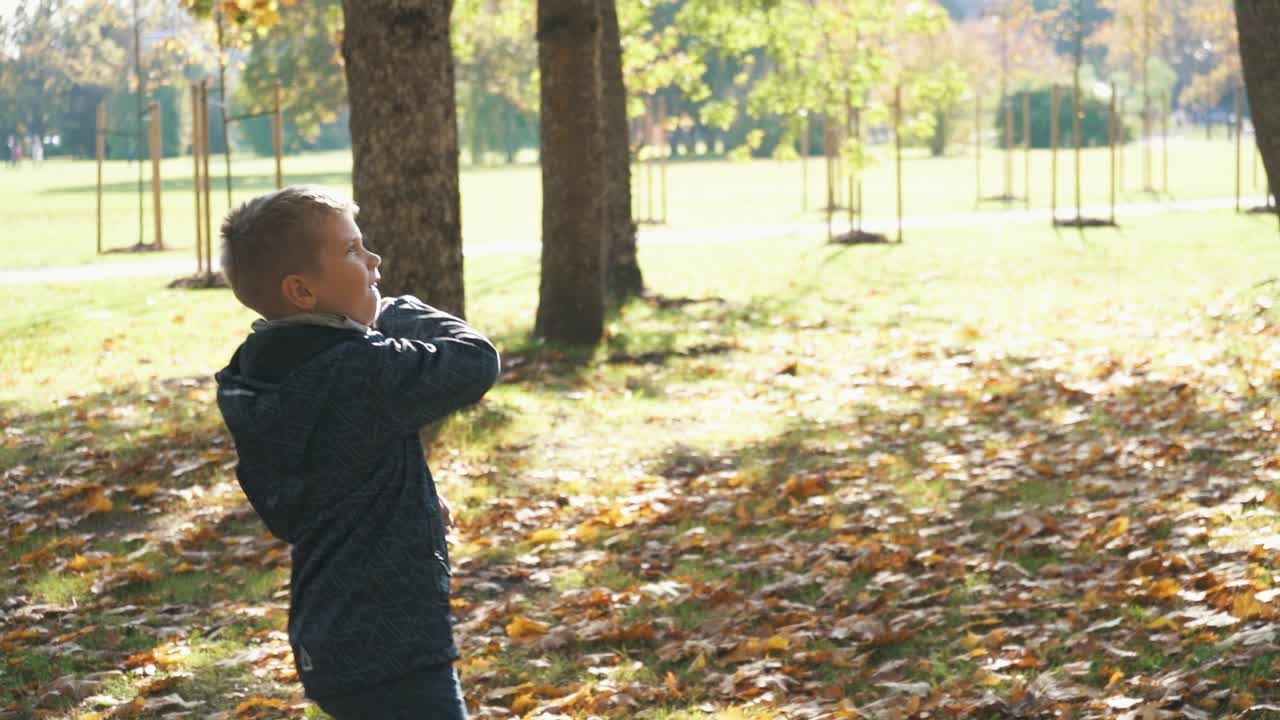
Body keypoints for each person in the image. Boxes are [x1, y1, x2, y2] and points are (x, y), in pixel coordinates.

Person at [214, 185, 500, 719]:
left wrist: (410, 500)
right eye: (352, 250)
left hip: (327, 634)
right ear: (302, 291)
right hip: (393, 644)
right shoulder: (358, 367)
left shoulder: (256, 376)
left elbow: (333, 468)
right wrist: (394, 310)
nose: (374, 261)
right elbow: (474, 361)